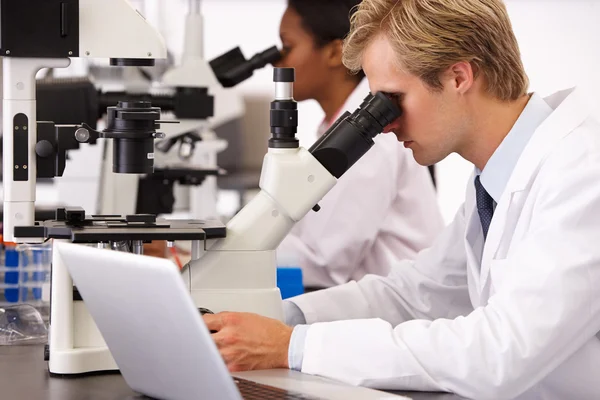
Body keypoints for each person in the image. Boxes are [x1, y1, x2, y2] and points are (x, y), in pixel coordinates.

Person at [204, 0, 600, 398]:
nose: (386, 124)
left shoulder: (582, 174)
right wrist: (276, 319)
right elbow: (414, 294)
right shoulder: (493, 178)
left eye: (393, 98)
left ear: (458, 76)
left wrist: (292, 346)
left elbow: (501, 351)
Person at [274, 0, 443, 289]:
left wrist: (215, 251)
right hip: (369, 304)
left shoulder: (370, 136)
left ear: (334, 52)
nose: (277, 62)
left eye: (287, 47)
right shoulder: (340, 124)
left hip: (399, 315)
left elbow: (324, 262)